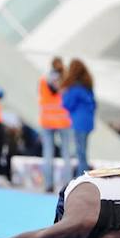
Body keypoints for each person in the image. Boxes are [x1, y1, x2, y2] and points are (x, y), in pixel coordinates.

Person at [38, 57, 73, 193]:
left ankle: (48, 185)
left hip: (47, 120)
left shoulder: (43, 80)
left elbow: (41, 96)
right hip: (63, 120)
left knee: (48, 153)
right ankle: (68, 186)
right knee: (66, 154)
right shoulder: (65, 81)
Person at [61, 58, 96, 177]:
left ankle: (81, 179)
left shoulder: (74, 88)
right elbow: (94, 104)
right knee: (83, 152)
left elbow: (66, 104)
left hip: (78, 123)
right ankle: (84, 177)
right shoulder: (87, 87)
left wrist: (64, 93)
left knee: (79, 154)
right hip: (88, 123)